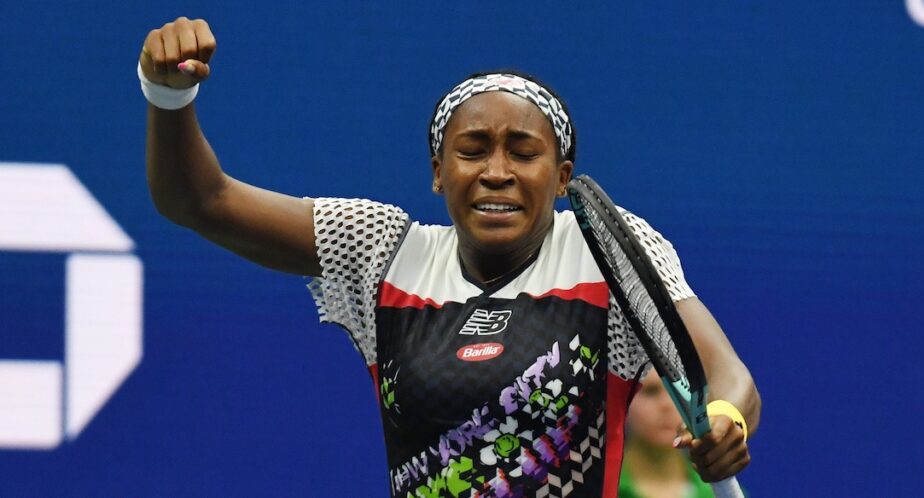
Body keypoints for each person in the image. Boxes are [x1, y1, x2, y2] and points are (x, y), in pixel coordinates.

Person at [139, 17, 760, 498]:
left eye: (524, 152)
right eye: (473, 150)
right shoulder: (380, 250)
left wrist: (726, 418)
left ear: (563, 177)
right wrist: (168, 97)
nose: (497, 172)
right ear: (438, 172)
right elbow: (201, 200)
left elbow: (726, 375)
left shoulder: (606, 250)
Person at [620, 370, 718, 498]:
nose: (667, 404)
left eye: (678, 390)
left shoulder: (720, 492)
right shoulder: (599, 488)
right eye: (651, 391)